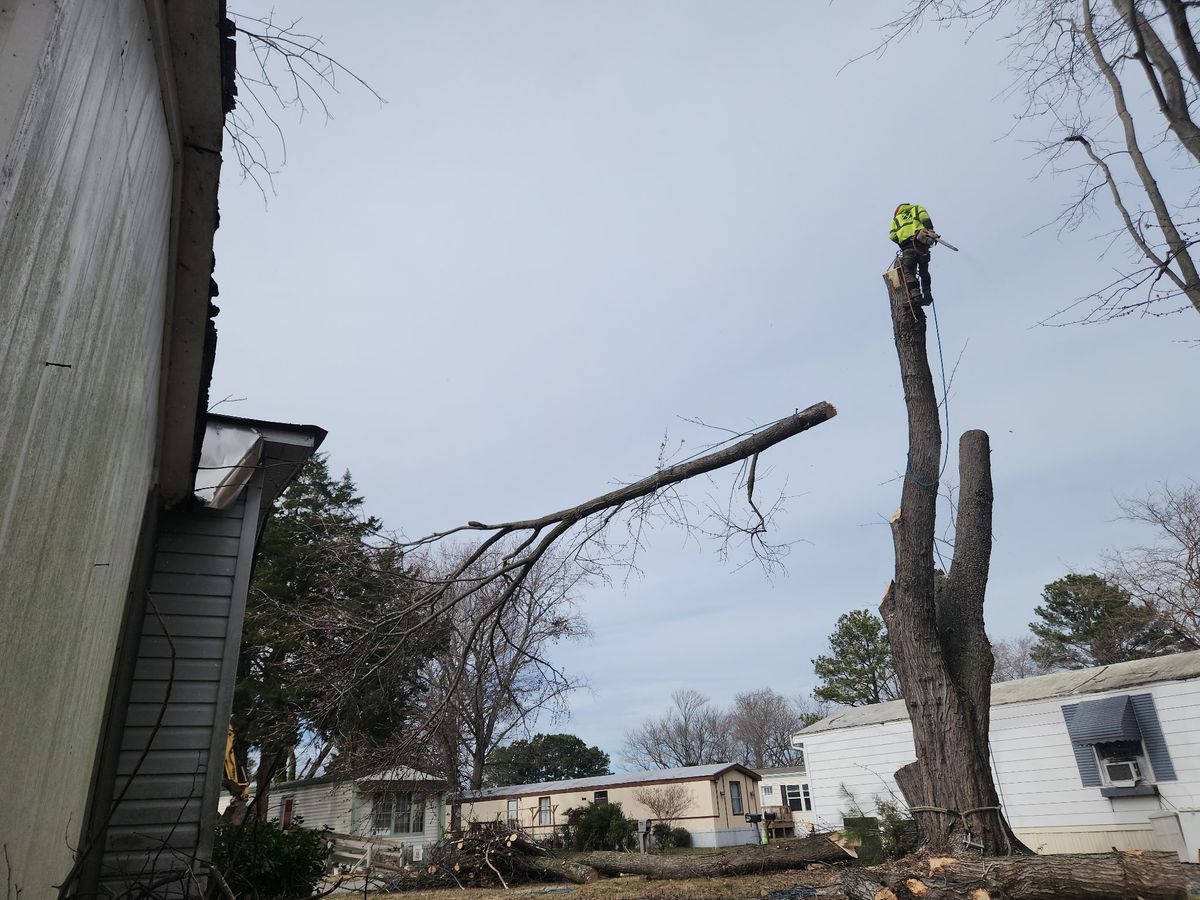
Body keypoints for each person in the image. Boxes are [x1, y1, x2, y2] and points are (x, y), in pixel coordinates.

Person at [889, 203, 936, 305]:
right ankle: (927, 294)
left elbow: (892, 236)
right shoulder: (917, 208)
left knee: (909, 272)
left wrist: (902, 243)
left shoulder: (896, 219)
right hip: (922, 246)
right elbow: (925, 219)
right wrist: (930, 231)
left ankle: (916, 295)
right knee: (924, 272)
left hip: (908, 248)